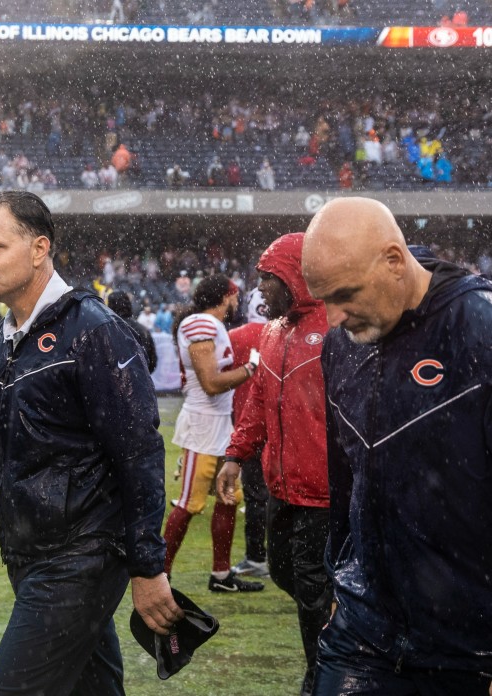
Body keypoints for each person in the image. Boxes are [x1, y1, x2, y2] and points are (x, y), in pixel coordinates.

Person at [0, 190, 183, 694]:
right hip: (31, 552)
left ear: (39, 248)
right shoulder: (7, 338)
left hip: (81, 555)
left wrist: (147, 566)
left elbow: (139, 454)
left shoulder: (95, 331)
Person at [301, 197, 492, 695]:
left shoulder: (480, 332)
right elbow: (345, 482)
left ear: (393, 261)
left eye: (344, 294)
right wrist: (341, 579)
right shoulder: (340, 348)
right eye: (322, 299)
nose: (332, 317)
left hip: (473, 649)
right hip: (364, 636)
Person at [218, 233, 332, 696]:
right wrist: (235, 455)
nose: (259, 287)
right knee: (284, 572)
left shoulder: (335, 331)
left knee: (309, 585)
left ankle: (320, 676)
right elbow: (259, 404)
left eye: (269, 278)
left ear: (295, 277)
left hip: (323, 490)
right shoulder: (272, 331)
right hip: (281, 485)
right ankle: (337, 626)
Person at [163, 274, 263, 592]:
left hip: (220, 423)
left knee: (228, 497)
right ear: (227, 296)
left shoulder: (213, 326)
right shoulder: (200, 324)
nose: (238, 303)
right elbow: (210, 383)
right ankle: (159, 574)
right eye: (235, 297)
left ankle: (221, 576)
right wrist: (250, 369)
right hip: (203, 426)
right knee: (190, 503)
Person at [226, 287, 269, 579]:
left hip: (247, 422)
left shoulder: (235, 336)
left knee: (256, 496)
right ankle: (285, 555)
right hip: (283, 427)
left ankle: (257, 556)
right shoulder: (285, 333)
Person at [107, 291, 158, 373]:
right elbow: (152, 362)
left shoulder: (107, 331)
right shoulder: (142, 330)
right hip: (142, 382)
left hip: (116, 382)